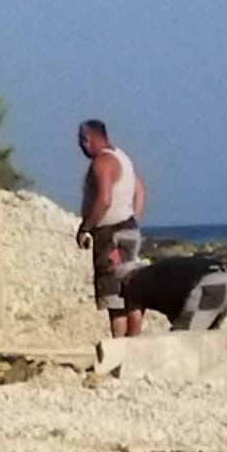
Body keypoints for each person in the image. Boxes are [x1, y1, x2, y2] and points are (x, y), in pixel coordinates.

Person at [74, 118, 147, 336]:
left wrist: (86, 227)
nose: (81, 147)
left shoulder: (102, 162)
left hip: (110, 234)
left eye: (81, 142)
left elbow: (104, 200)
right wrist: (132, 220)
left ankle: (120, 347)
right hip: (129, 228)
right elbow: (141, 191)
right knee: (132, 294)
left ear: (87, 139)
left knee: (115, 300)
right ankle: (135, 345)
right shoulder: (123, 158)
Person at [121, 252, 227, 332]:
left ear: (126, 278)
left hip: (210, 285)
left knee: (182, 339)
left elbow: (135, 319)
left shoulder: (135, 282)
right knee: (209, 334)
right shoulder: (157, 272)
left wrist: (130, 347)